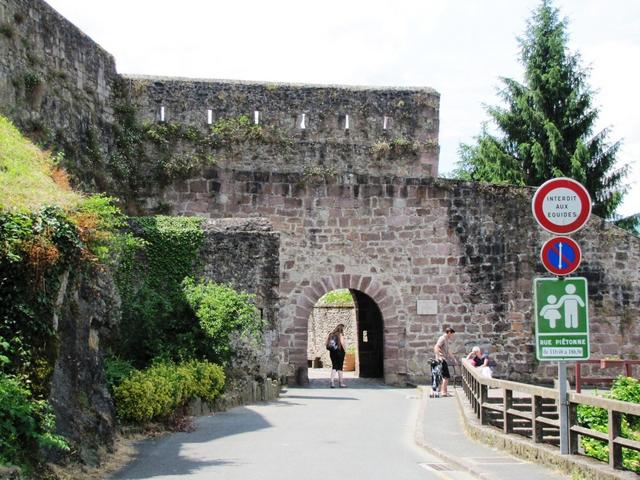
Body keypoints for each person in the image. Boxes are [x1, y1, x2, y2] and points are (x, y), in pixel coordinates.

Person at [433, 327, 455, 396]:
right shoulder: (442, 338)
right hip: (442, 360)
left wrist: (453, 358)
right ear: (449, 333)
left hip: (443, 359)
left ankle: (444, 391)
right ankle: (443, 392)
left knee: (444, 377)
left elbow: (448, 351)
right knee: (446, 376)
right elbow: (436, 347)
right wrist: (440, 356)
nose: (452, 336)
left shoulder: (446, 340)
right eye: (452, 334)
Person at [326, 324, 347, 388]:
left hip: (332, 352)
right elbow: (342, 343)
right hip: (339, 352)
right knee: (340, 367)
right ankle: (341, 383)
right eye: (343, 328)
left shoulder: (330, 334)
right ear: (341, 329)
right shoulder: (340, 334)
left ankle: (332, 382)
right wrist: (345, 350)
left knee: (334, 366)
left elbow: (326, 343)